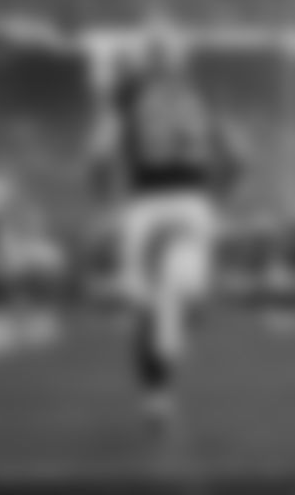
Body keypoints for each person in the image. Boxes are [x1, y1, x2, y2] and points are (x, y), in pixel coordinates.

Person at [86, 24, 239, 433]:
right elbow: (237, 156)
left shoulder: (129, 95)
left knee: (151, 307)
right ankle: (161, 380)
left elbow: (100, 155)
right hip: (188, 204)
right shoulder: (200, 93)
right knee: (173, 301)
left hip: (149, 207)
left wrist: (103, 204)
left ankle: (157, 390)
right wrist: (220, 200)